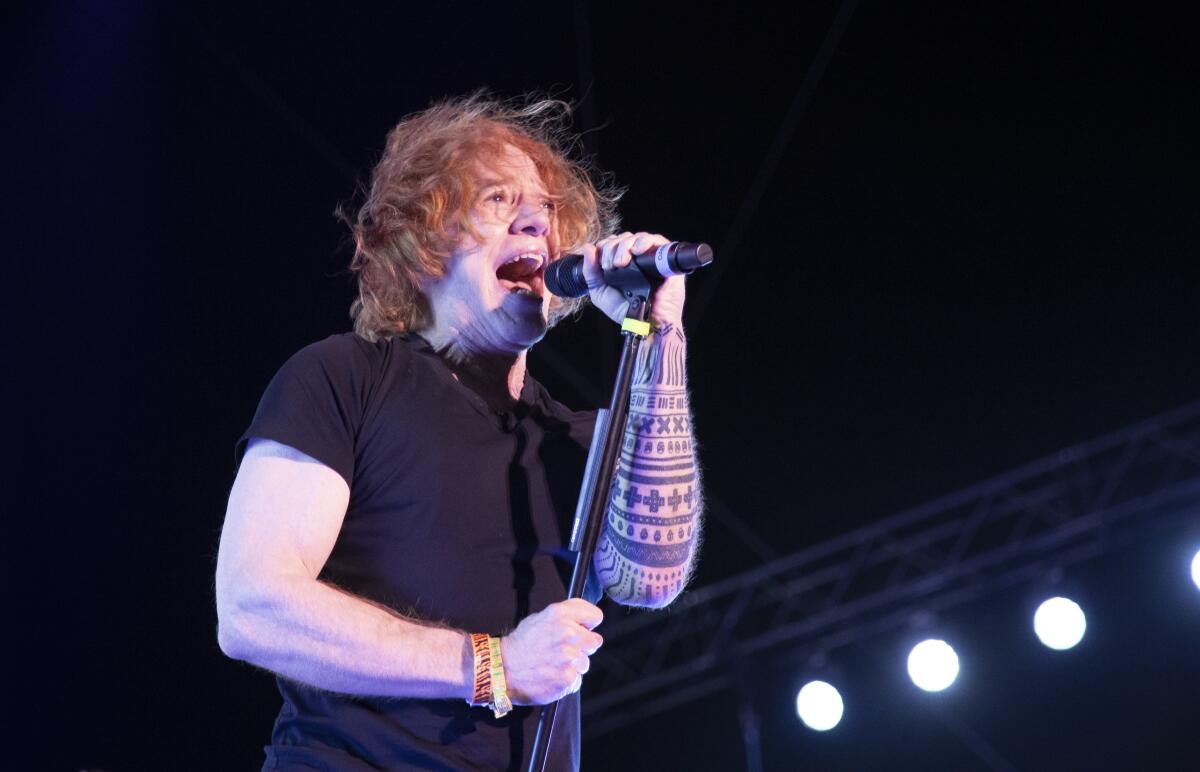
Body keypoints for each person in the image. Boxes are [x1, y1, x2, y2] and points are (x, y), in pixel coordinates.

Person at [215, 94, 702, 771]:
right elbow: (252, 607)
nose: (536, 222)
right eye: (500, 201)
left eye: (548, 212)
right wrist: (491, 666)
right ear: (424, 246)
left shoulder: (583, 440)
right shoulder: (343, 378)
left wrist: (659, 336)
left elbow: (653, 579)